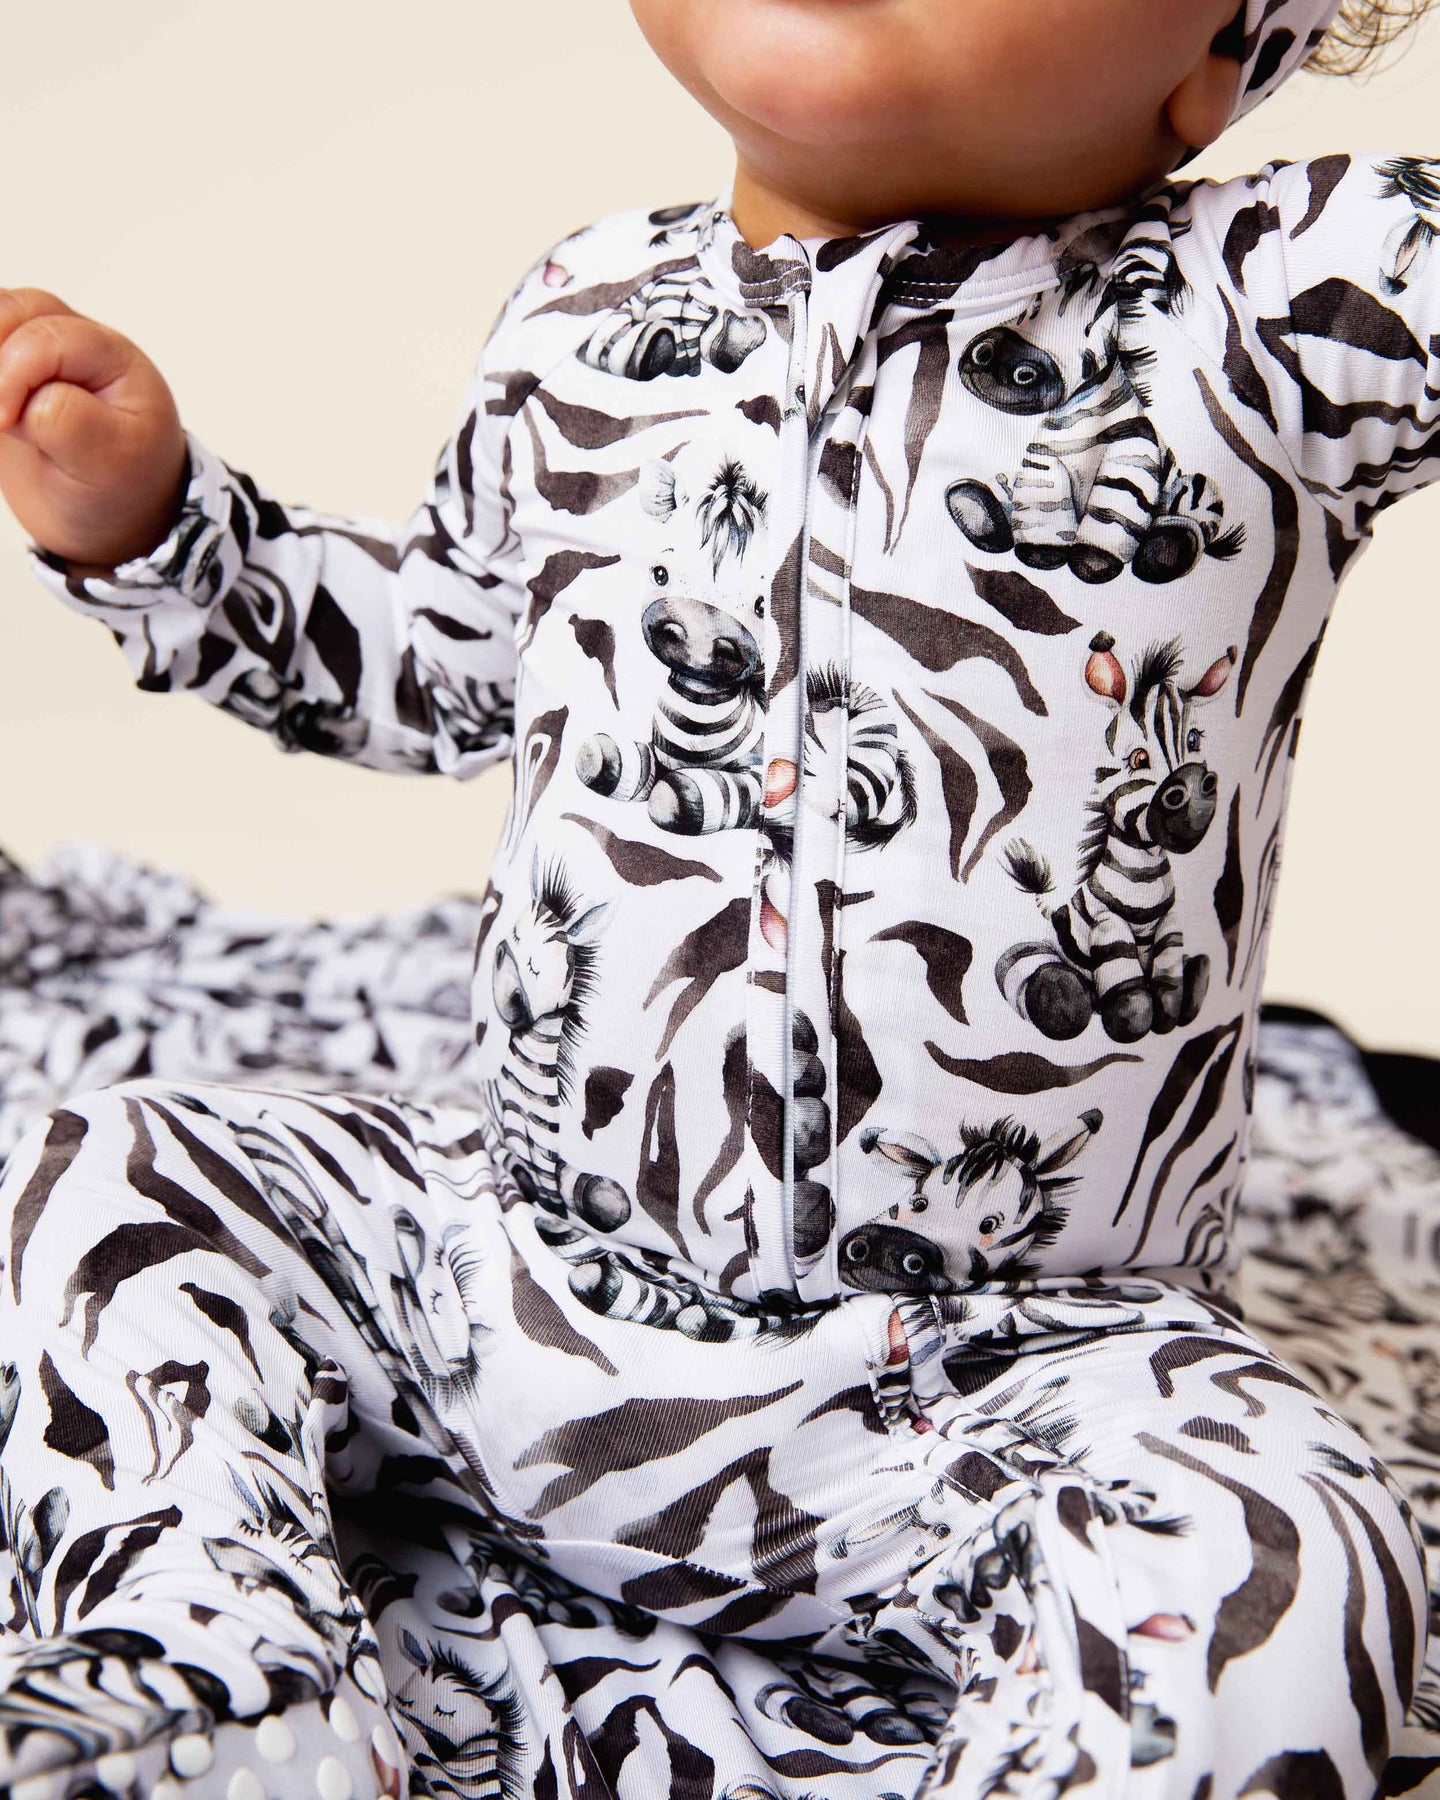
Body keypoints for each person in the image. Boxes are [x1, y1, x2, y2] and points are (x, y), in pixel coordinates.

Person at [0, 2, 1437, 1794]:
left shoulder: (1280, 309)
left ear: (1214, 56)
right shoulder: (583, 316)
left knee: (1291, 1564)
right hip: (509, 1287)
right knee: (109, 1172)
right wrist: (159, 531)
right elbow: (437, 666)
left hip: (1007, 1387)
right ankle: (226, 1674)